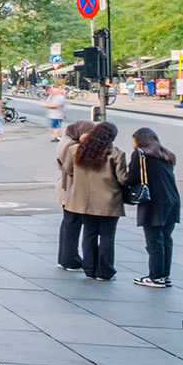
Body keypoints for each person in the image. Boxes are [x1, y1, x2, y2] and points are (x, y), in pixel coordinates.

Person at [61, 121, 125, 281]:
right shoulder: (116, 153)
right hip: (108, 201)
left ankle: (89, 269)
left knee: (89, 233)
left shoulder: (75, 150)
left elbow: (68, 170)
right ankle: (105, 271)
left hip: (83, 201)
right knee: (107, 236)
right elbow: (123, 179)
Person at [122, 127, 181, 288]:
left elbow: (132, 177)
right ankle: (164, 275)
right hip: (172, 200)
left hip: (154, 201)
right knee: (166, 238)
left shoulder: (141, 154)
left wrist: (121, 184)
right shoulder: (166, 155)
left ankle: (155, 277)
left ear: (139, 140)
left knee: (154, 240)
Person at [54, 119, 95, 271]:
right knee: (73, 223)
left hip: (66, 186)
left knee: (69, 223)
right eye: (89, 134)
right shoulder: (73, 146)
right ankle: (69, 259)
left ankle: (65, 257)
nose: (91, 137)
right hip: (72, 187)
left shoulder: (67, 140)